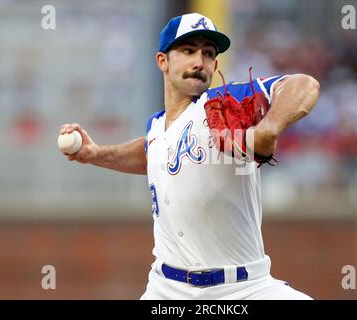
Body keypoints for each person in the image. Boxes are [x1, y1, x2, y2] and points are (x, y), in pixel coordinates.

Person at [59, 13, 320, 299]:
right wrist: (95, 153)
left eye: (208, 53)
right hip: (167, 289)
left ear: (216, 65)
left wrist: (269, 127)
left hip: (244, 289)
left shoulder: (222, 104)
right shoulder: (158, 128)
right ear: (162, 61)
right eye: (188, 51)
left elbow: (304, 85)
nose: (199, 61)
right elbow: (151, 153)